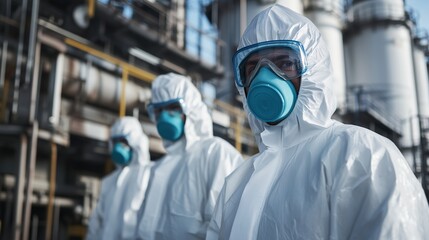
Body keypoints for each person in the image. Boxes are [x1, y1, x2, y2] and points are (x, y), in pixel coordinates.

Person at [207, 4, 429, 240]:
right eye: (253, 68)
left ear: (313, 70)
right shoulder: (236, 184)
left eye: (284, 64)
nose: (265, 76)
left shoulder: (360, 154)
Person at [137, 73, 243, 240]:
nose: (164, 116)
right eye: (158, 110)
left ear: (191, 109)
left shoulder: (215, 154)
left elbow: (230, 229)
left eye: (172, 107)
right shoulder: (157, 169)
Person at [86, 117, 151, 240]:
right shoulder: (109, 182)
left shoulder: (149, 174)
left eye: (123, 141)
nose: (118, 146)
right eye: (115, 142)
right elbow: (97, 222)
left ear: (136, 143)